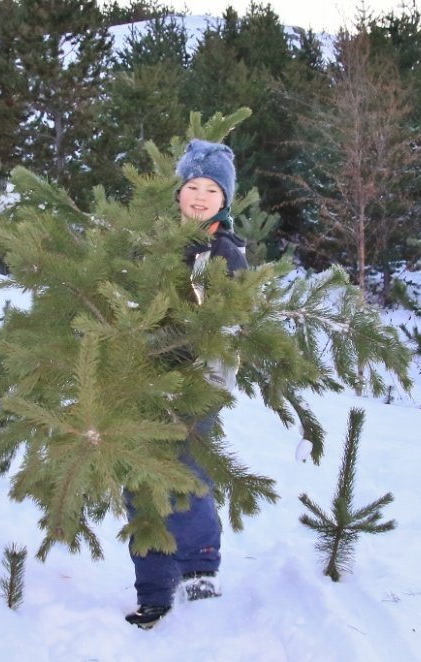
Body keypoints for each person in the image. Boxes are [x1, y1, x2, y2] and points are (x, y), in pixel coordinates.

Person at [124, 139, 248, 629]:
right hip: (143, 380)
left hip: (198, 382)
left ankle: (199, 565)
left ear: (225, 200)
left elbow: (226, 323)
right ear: (177, 192)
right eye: (192, 186)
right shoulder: (152, 242)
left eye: (211, 190)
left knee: (189, 473)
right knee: (140, 480)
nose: (200, 197)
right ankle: (154, 588)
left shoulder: (225, 252)